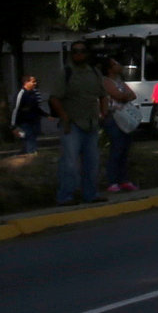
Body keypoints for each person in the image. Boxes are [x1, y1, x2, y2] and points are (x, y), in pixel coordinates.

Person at [54, 44, 112, 207]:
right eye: (75, 52)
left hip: (91, 123)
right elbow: (54, 98)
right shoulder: (66, 72)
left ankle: (91, 194)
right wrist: (64, 116)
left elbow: (103, 95)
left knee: (92, 162)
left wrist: (103, 113)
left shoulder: (94, 72)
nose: (78, 54)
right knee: (70, 163)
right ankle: (65, 196)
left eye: (82, 51)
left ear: (88, 53)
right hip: (72, 124)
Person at [99, 57, 142, 193]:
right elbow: (118, 95)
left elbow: (132, 95)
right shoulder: (106, 81)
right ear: (109, 68)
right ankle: (112, 181)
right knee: (116, 149)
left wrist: (125, 95)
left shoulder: (120, 81)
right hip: (113, 118)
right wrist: (124, 95)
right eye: (115, 63)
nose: (119, 65)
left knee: (124, 149)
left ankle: (124, 180)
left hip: (124, 117)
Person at [14, 73, 47, 155]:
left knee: (33, 137)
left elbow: (36, 107)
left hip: (34, 120)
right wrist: (13, 125)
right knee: (28, 137)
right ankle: (30, 153)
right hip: (24, 121)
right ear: (26, 82)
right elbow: (15, 109)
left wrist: (46, 115)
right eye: (33, 81)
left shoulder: (34, 93)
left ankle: (29, 152)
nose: (35, 83)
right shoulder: (21, 94)